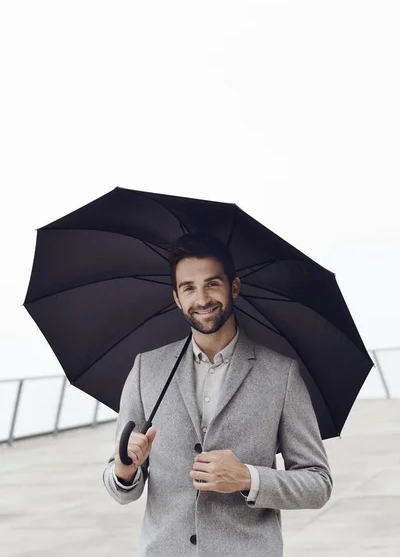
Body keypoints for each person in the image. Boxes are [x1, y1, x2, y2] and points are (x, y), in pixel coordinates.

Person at [102, 233, 332, 556]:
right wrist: (124, 471)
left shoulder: (281, 375)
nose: (202, 298)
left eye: (212, 284)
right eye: (189, 288)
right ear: (177, 299)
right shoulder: (147, 370)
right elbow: (121, 488)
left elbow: (318, 484)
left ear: (233, 287)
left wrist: (248, 478)